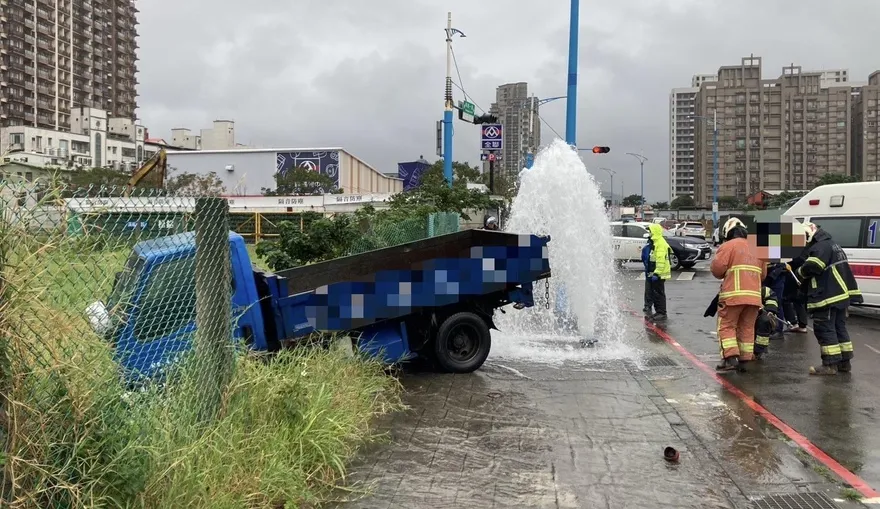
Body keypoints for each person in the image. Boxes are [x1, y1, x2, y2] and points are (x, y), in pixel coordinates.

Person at [793, 221, 862, 375]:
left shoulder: (819, 247)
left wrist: (799, 273)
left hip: (828, 296)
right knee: (839, 328)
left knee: (825, 329)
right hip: (840, 296)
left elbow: (814, 266)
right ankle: (844, 363)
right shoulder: (832, 244)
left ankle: (830, 365)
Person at [710, 217, 765, 372]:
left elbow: (717, 269)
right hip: (754, 297)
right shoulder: (758, 247)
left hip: (733, 295)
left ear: (728, 233)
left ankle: (729, 358)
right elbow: (763, 274)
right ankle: (745, 358)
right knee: (747, 327)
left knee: (727, 325)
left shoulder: (728, 246)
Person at [641, 223, 672, 321]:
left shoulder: (660, 244)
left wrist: (657, 273)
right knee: (655, 293)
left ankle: (662, 313)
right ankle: (658, 311)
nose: (649, 233)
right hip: (656, 273)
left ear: (655, 232)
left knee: (659, 294)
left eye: (650, 231)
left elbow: (660, 260)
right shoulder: (655, 243)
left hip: (659, 274)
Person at [782, 254, 809, 334]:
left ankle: (793, 323)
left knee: (786, 299)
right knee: (798, 300)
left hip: (791, 274)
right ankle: (802, 325)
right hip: (799, 274)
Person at [754, 285, 780, 360]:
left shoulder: (764, 290)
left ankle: (758, 351)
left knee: (765, 320)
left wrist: (770, 310)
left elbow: (772, 298)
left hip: (759, 319)